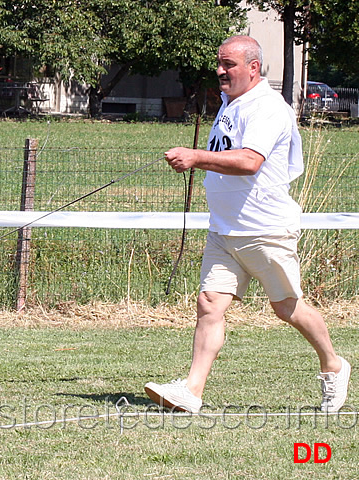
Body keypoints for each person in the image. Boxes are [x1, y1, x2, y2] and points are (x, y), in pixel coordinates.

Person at [144, 35, 351, 414]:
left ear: (253, 68)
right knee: (209, 304)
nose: (221, 71)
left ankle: (334, 365)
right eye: (219, 63)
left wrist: (195, 157)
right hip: (224, 229)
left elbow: (249, 161)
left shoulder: (268, 108)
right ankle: (192, 391)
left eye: (229, 65)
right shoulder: (230, 103)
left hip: (265, 228)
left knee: (287, 307)